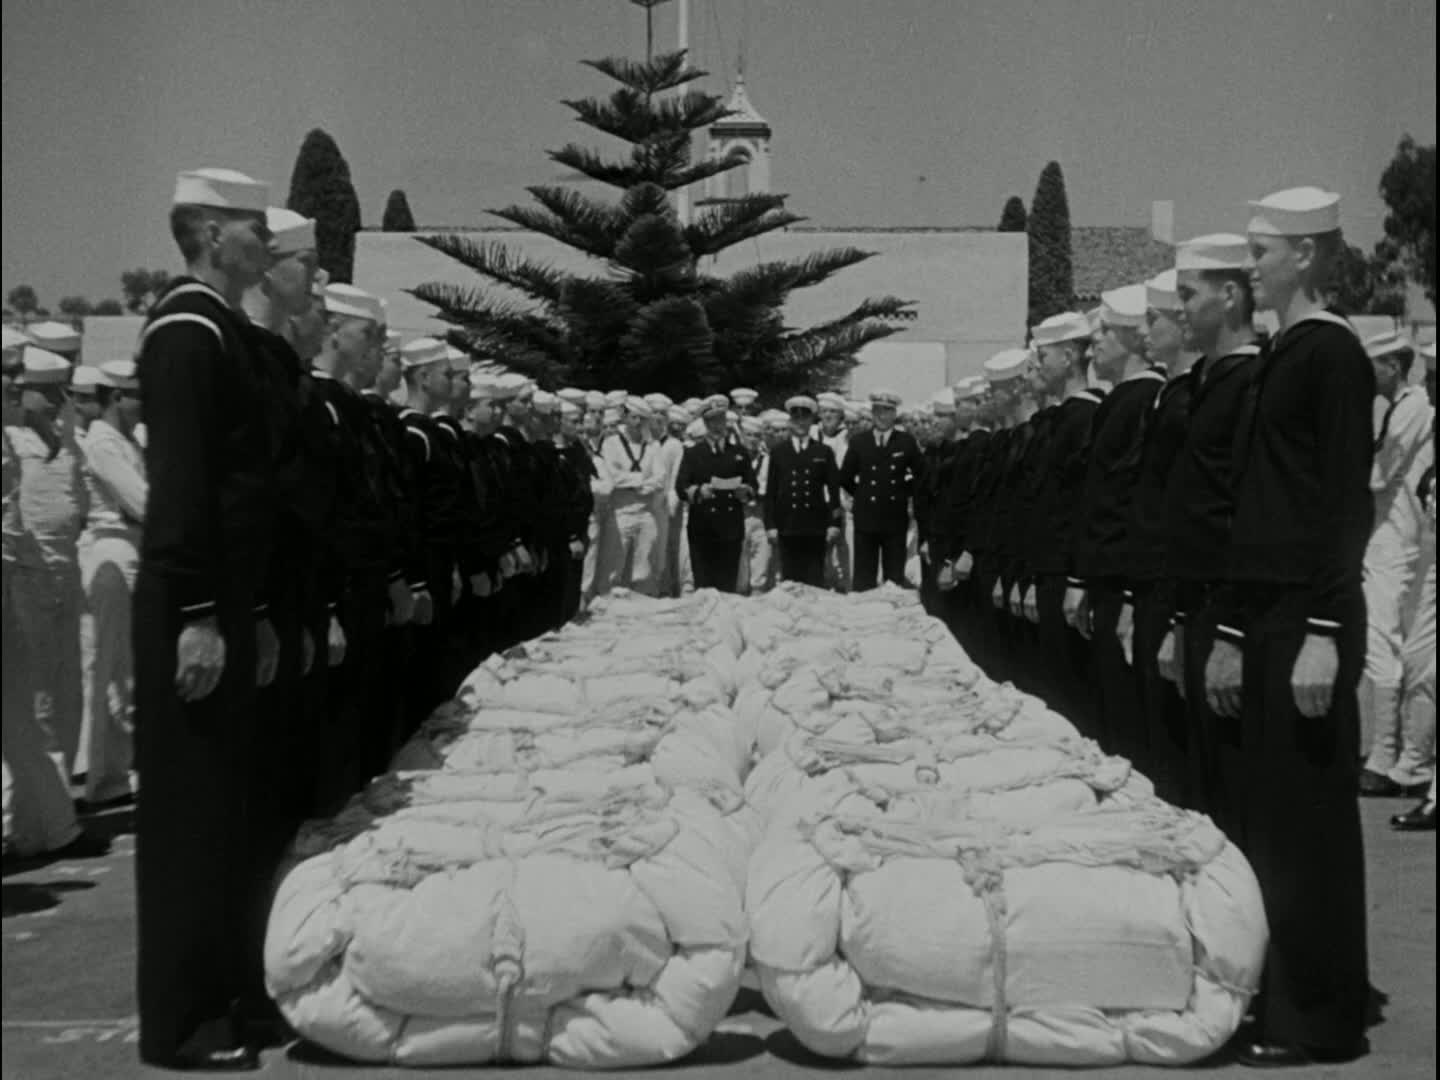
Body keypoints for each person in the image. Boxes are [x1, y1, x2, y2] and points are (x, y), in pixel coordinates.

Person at [1206, 186, 1372, 1067]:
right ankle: (1285, 1001)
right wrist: (1236, 632)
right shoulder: (1285, 353)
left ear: (1305, 255)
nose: (1251, 267)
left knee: (1309, 827)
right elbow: (1260, 505)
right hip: (1271, 611)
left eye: (1262, 251)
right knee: (1273, 821)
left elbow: (1343, 502)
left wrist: (1323, 629)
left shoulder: (1331, 354)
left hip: (1310, 615)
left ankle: (1321, 1019)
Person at [133, 166, 277, 1070]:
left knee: (223, 808)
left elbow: (243, 494)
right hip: (191, 600)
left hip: (224, 597)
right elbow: (183, 484)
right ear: (214, 233)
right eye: (254, 225)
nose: (266, 240)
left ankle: (221, 996)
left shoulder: (219, 327)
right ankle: (180, 1022)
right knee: (187, 816)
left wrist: (248, 611)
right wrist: (196, 612)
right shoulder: (186, 330)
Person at [1154, 234, 1262, 832]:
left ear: (1229, 297)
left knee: (1233, 794)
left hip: (1228, 606)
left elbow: (1245, 512)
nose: (1181, 311)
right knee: (1201, 785)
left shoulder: (1253, 381)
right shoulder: (1207, 382)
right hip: (1194, 603)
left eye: (1189, 296)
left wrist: (1231, 631)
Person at [2, 340, 106, 862]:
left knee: (42, 708)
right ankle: (48, 824)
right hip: (22, 580)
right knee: (29, 710)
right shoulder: (15, 438)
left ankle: (42, 825)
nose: (14, 384)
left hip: (40, 575)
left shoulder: (50, 439)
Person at [1069, 283, 1167, 763]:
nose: (1095, 345)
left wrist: (1119, 588)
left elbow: (1126, 500)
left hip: (1121, 579)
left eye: (1106, 332)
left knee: (1127, 725)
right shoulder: (1123, 399)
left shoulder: (1143, 398)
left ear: (1132, 339)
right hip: (1105, 577)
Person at [1121, 269, 1201, 806]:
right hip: (1153, 583)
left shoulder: (1189, 395)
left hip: (1177, 591)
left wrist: (1177, 613)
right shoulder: (1169, 394)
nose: (1144, 332)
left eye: (1154, 320)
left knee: (1175, 746)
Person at [4, 345, 87, 791]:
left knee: (67, 688)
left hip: (62, 572)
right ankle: (43, 801)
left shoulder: (61, 439)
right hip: (25, 578)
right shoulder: (13, 440)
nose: (58, 401)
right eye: (47, 391)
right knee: (35, 696)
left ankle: (60, 797)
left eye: (62, 391)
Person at [1358, 330, 1435, 794]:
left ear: (1391, 365)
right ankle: (1395, 753)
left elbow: (1378, 473)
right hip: (1386, 532)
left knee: (1383, 639)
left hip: (1397, 535)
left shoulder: (1413, 408)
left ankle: (1388, 755)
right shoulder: (1402, 407)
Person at [75, 359, 146, 809]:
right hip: (114, 551)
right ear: (117, 397)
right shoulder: (103, 442)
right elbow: (142, 501)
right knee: (112, 668)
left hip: (132, 548)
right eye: (139, 395)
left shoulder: (126, 440)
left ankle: (116, 770)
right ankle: (104, 777)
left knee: (127, 669)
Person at [840, 389, 923, 591]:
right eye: (878, 411)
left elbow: (921, 475)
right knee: (863, 577)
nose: (882, 416)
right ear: (872, 413)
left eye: (887, 411)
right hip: (866, 517)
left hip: (894, 518)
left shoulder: (906, 441)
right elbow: (845, 476)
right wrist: (862, 494)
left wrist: (903, 492)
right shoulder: (859, 441)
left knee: (894, 579)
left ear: (894, 414)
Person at [676, 397, 758, 592]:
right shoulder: (693, 453)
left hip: (730, 527)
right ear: (705, 424)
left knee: (727, 586)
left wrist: (745, 491)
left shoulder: (739, 452)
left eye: (720, 420)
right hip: (702, 527)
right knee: (704, 587)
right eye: (712, 421)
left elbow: (753, 484)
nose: (717, 426)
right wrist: (698, 492)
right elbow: (680, 487)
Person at [763, 396, 842, 588]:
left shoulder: (823, 451)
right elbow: (771, 492)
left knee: (814, 580)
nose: (800, 423)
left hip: (815, 526)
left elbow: (834, 492)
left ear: (811, 421)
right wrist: (770, 525)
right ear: (790, 421)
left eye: (805, 419)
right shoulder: (779, 452)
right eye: (796, 419)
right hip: (787, 525)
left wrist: (834, 523)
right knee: (789, 581)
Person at [598, 397, 663, 595]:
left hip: (645, 510)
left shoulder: (652, 446)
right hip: (620, 511)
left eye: (642, 419)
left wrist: (643, 486)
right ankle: (608, 603)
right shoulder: (611, 443)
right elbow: (613, 477)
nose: (637, 422)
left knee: (644, 568)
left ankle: (642, 602)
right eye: (634, 417)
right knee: (613, 567)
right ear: (625, 417)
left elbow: (660, 477)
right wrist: (641, 480)